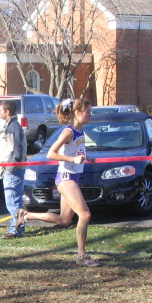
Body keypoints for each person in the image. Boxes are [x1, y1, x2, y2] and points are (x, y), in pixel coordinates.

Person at [17, 98, 100, 267]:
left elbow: (77, 151)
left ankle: (26, 215)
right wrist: (73, 159)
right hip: (66, 178)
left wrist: (86, 158)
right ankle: (82, 256)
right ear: (77, 113)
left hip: (72, 177)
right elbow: (51, 154)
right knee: (85, 215)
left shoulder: (80, 130)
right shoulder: (68, 132)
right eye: (88, 111)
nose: (90, 114)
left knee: (64, 220)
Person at [0, 100, 27, 238]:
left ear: (7, 112)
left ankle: (16, 230)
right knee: (15, 200)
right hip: (12, 168)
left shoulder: (13, 127)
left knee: (12, 200)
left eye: (0, 110)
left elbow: (17, 149)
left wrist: (11, 167)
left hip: (13, 170)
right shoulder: (11, 126)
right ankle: (17, 227)